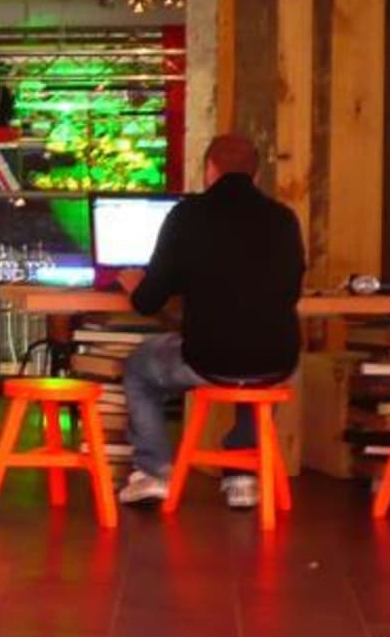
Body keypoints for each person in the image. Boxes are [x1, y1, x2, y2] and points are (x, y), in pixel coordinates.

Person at [117, 133, 305, 510]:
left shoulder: (187, 215)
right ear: (256, 176)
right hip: (279, 360)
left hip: (208, 360)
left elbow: (149, 300)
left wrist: (136, 285)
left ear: (209, 170)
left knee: (138, 367)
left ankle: (154, 472)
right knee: (257, 364)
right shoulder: (284, 219)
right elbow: (290, 289)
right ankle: (241, 475)